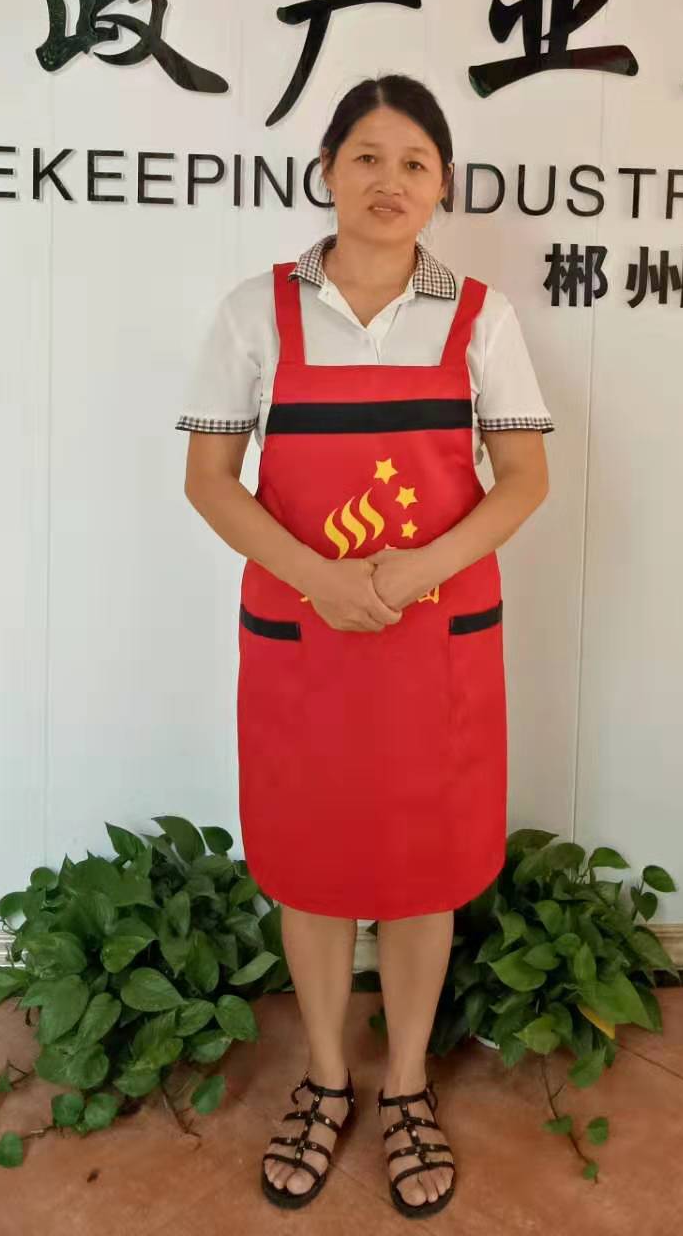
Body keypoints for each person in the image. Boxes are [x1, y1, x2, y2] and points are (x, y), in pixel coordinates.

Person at [178, 73, 553, 1217]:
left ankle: (406, 1085)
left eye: (415, 163)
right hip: (306, 638)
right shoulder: (256, 312)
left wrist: (412, 571)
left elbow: (524, 478)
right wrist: (324, 580)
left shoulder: (482, 316)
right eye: (368, 157)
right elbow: (210, 479)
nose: (391, 181)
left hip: (435, 642)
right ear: (327, 171)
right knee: (313, 863)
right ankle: (327, 1077)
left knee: (423, 870)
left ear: (443, 186)